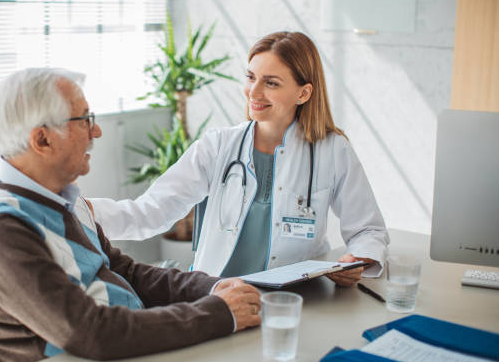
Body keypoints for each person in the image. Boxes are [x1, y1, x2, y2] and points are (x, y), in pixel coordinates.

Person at [0, 68, 261, 362]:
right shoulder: (0, 229)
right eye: (84, 119)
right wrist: (217, 314)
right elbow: (92, 332)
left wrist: (212, 288)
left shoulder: (60, 197)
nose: (96, 131)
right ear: (42, 139)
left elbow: (126, 272)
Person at [90, 32, 389, 286]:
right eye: (250, 77)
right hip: (217, 299)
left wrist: (358, 260)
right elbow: (151, 211)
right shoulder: (218, 146)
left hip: (294, 300)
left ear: (303, 93)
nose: (253, 92)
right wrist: (82, 211)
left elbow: (369, 230)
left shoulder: (332, 151)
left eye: (271, 83)